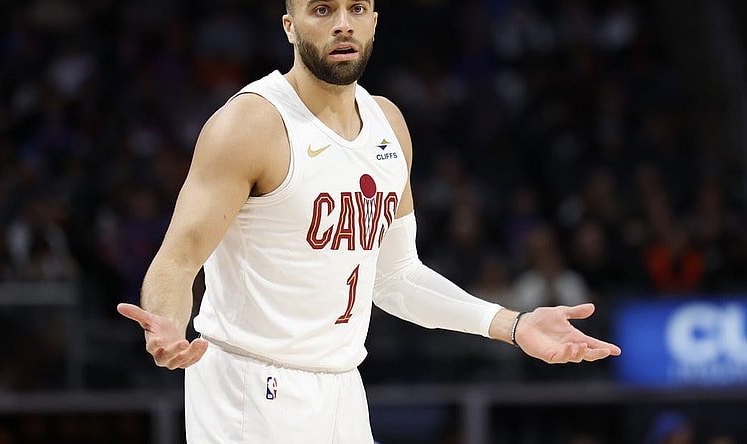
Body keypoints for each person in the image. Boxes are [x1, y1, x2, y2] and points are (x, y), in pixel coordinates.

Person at [117, 1, 621, 442]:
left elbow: (396, 277)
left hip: (342, 384)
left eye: (356, 9)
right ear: (289, 25)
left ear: (374, 22)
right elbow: (177, 261)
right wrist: (165, 321)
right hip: (250, 385)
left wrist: (511, 324)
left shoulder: (388, 124)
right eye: (322, 9)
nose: (342, 24)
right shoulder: (251, 124)